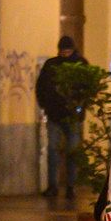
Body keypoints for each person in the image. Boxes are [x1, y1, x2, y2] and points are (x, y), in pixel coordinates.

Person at [34, 35, 86, 200]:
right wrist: (45, 105)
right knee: (53, 151)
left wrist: (80, 109)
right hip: (55, 116)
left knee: (71, 152)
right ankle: (53, 186)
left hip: (72, 118)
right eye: (63, 51)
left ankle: (70, 186)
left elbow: (85, 90)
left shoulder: (80, 65)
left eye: (68, 51)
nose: (65, 53)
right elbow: (40, 87)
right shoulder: (51, 65)